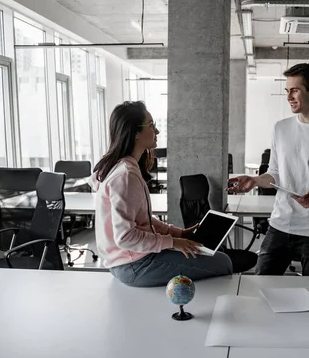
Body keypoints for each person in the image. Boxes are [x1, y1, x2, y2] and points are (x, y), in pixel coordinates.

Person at [229, 63, 309, 276]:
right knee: (262, 287)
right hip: (279, 224)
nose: (289, 97)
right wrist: (254, 180)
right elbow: (276, 173)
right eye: (287, 91)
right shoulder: (281, 128)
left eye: (295, 90)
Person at [90, 101, 232, 287]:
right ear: (135, 133)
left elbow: (143, 221)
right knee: (223, 263)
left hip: (128, 261)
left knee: (207, 255)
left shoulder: (122, 168)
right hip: (134, 264)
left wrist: (177, 234)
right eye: (151, 125)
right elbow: (125, 237)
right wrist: (172, 242)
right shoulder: (125, 175)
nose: (156, 131)